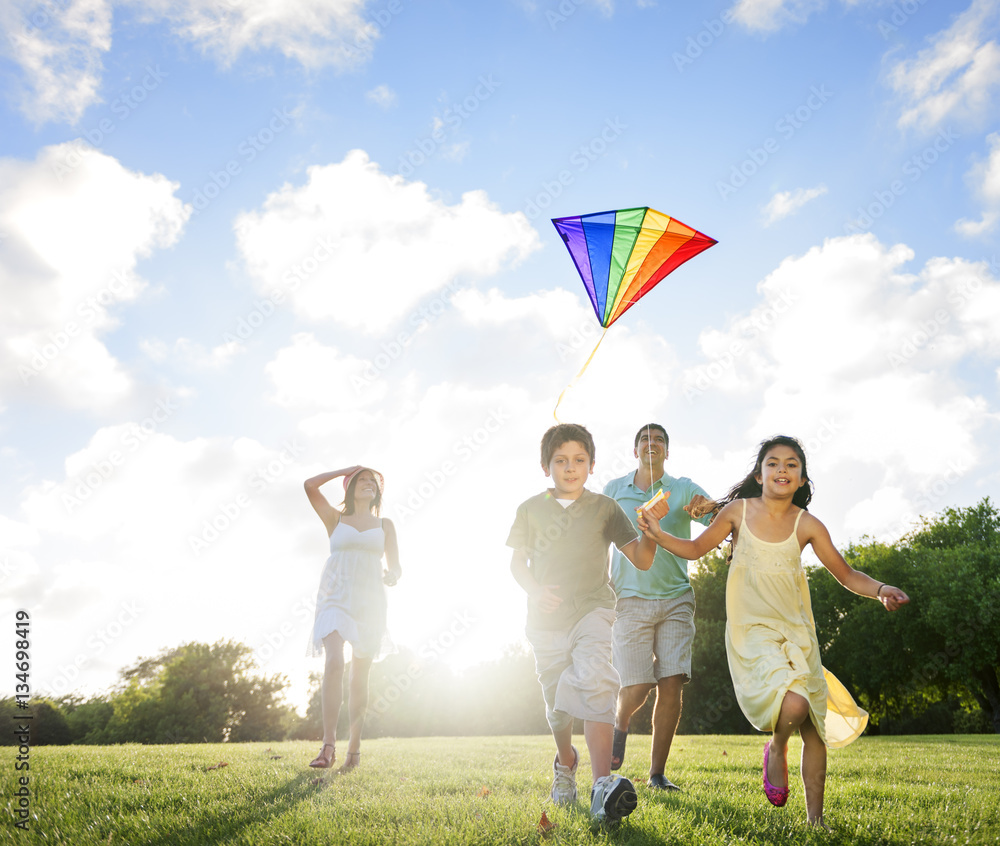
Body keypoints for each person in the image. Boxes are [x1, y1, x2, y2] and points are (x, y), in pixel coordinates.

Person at [637, 435, 909, 826]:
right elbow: (697, 549)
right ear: (759, 474)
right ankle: (777, 748)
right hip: (754, 630)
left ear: (801, 480)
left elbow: (846, 574)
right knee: (795, 704)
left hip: (799, 631)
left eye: (792, 464)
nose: (782, 468)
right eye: (773, 463)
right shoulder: (736, 512)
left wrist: (880, 590)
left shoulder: (808, 524)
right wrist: (659, 535)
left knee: (813, 725)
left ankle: (816, 820)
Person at [506, 423, 668, 824]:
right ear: (546, 467)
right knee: (557, 706)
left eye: (579, 459)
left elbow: (643, 559)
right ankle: (566, 763)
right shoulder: (529, 509)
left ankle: (602, 787)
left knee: (597, 679)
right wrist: (535, 590)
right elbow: (516, 563)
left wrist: (651, 531)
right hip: (544, 620)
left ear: (592, 465)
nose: (570, 467)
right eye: (560, 460)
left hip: (594, 608)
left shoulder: (605, 509)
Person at [603, 423, 715, 789]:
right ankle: (620, 721)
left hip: (676, 599)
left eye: (660, 440)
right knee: (636, 685)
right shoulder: (615, 491)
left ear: (668, 450)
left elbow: (715, 514)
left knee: (671, 682)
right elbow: (597, 538)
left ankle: (656, 774)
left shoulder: (683, 488)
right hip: (629, 599)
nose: (653, 444)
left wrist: (706, 508)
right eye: (645, 440)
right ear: (635, 450)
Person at [304, 465, 401, 774]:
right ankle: (328, 745)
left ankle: (354, 747)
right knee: (333, 662)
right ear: (350, 486)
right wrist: (347, 468)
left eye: (373, 480)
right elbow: (309, 485)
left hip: (370, 602)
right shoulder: (336, 519)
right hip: (335, 597)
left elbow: (396, 567)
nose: (368, 483)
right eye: (361, 479)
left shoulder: (386, 525)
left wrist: (392, 576)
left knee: (360, 675)